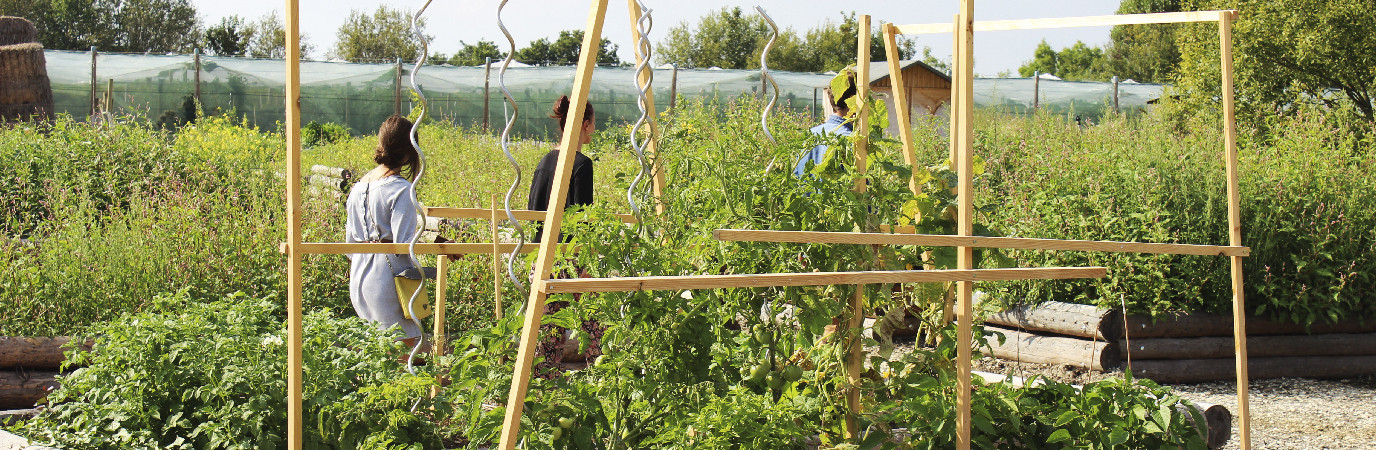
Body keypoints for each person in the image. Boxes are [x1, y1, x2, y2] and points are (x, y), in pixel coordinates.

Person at [344, 115, 424, 346]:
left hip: (359, 277)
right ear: (409, 151)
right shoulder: (401, 189)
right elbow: (404, 245)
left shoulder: (358, 188)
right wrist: (439, 248)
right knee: (408, 349)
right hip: (388, 280)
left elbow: (350, 246)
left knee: (376, 349)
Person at [527, 95, 596, 242]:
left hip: (538, 249)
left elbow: (532, 210)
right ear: (586, 124)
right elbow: (582, 218)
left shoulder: (544, 162)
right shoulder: (582, 164)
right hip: (566, 251)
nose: (594, 129)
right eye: (594, 123)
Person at [793, 73, 858, 177]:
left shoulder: (810, 134)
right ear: (853, 100)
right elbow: (860, 185)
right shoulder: (850, 140)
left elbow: (796, 177)